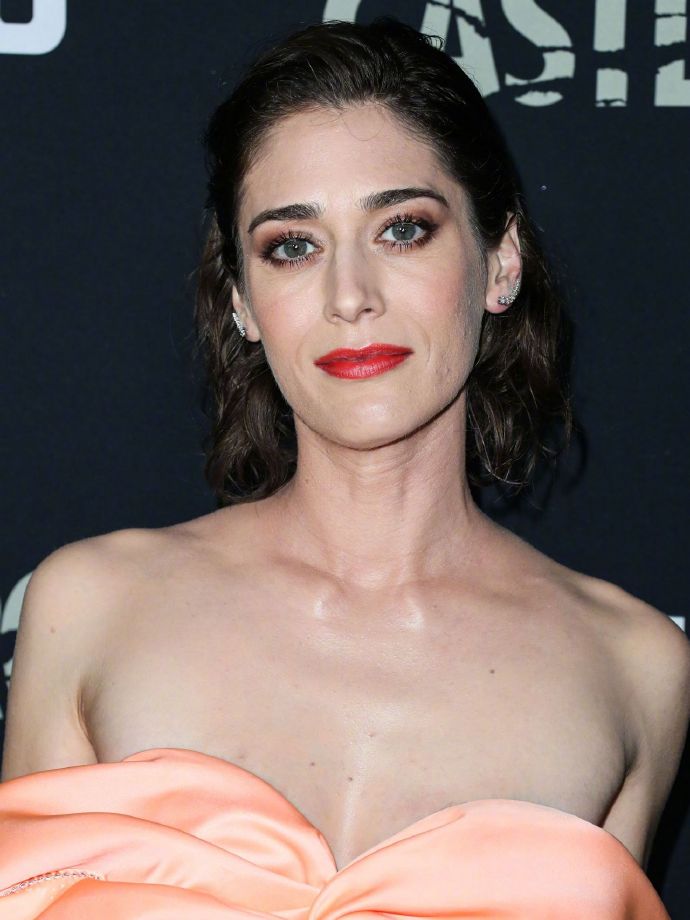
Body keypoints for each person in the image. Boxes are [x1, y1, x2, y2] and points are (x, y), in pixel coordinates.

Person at [0, 16, 687, 918]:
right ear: (243, 302)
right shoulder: (90, 608)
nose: (350, 296)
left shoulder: (636, 669)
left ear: (500, 261)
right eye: (294, 245)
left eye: (403, 230)